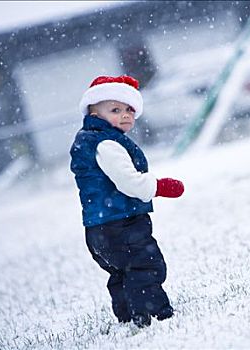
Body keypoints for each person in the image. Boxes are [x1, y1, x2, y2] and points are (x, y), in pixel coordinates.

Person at [70, 75, 184, 328]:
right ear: (94, 112)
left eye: (130, 110)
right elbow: (129, 182)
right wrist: (160, 186)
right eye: (115, 109)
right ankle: (153, 313)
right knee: (145, 264)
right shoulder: (106, 143)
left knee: (122, 271)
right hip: (122, 223)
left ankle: (129, 314)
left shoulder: (88, 139)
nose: (125, 115)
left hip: (99, 227)